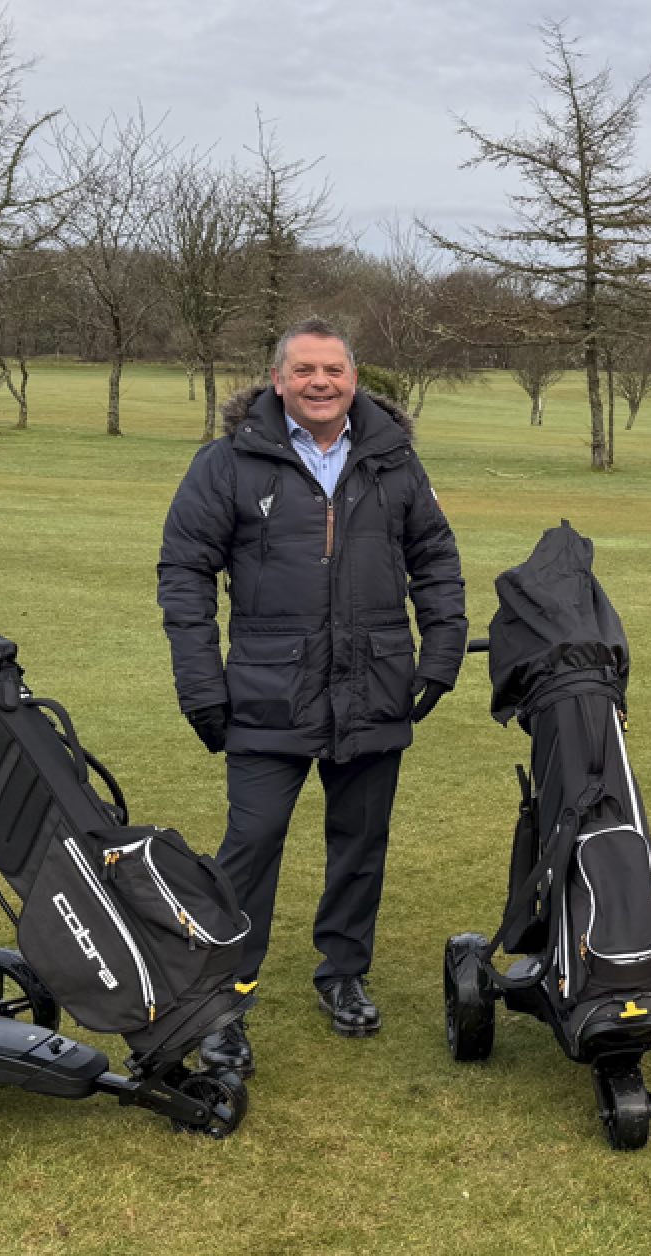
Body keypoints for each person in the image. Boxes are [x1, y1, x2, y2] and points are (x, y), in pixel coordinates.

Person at [158, 317, 466, 1076]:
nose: (319, 382)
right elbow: (184, 575)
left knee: (360, 844)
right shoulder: (227, 463)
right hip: (268, 692)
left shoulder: (394, 461)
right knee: (250, 845)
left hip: (375, 685)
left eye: (333, 370)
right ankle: (223, 997)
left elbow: (436, 559)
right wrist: (202, 683)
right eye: (303, 371)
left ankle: (342, 973)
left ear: (354, 380)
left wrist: (443, 654)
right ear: (277, 379)